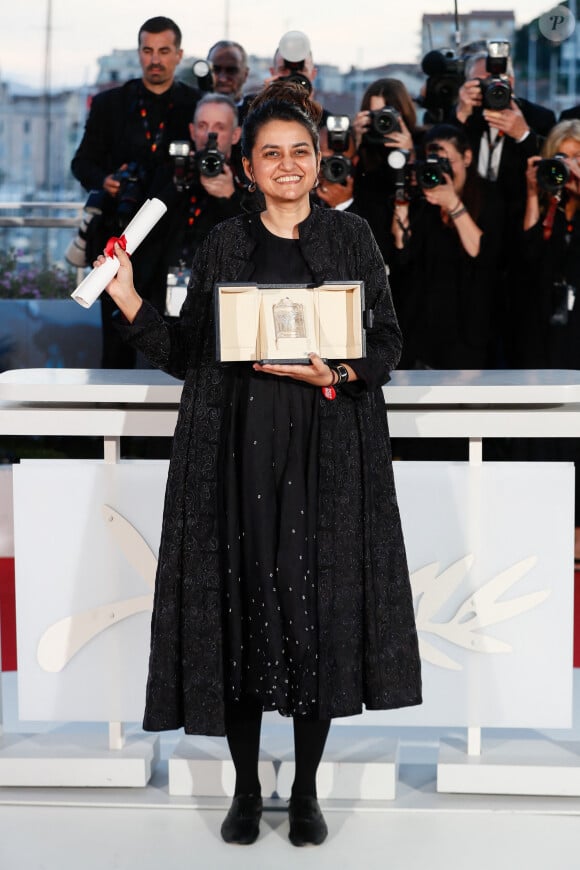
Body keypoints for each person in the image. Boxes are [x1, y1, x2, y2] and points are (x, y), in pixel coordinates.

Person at [97, 81, 422, 847]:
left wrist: (336, 374)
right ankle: (247, 791)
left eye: (299, 153)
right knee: (240, 617)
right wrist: (132, 298)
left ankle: (304, 792)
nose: (287, 165)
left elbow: (388, 344)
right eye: (270, 153)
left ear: (318, 161)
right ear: (247, 165)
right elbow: (187, 354)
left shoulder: (352, 239)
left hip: (327, 448)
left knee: (316, 620)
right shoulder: (223, 245)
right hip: (233, 452)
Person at [71, 16, 199, 367]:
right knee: (116, 342)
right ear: (139, 53)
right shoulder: (110, 104)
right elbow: (81, 163)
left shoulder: (196, 105)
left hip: (175, 239)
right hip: (117, 238)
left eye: (164, 51)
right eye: (147, 50)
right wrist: (106, 181)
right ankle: (113, 417)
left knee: (176, 337)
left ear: (179, 55)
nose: (155, 59)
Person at [514, 120, 580, 557]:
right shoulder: (547, 209)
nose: (569, 167)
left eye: (577, 157)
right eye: (563, 157)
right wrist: (536, 195)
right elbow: (523, 270)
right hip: (541, 350)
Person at [389, 123, 503, 369]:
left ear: (467, 157)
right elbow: (401, 248)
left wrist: (453, 204)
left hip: (469, 333)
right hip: (421, 331)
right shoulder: (423, 200)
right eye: (433, 162)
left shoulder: (489, 198)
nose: (440, 171)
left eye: (446, 161)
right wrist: (403, 197)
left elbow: (481, 254)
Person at [155, 93, 247, 314]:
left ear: (235, 135)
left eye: (219, 127)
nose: (210, 135)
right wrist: (179, 181)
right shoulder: (169, 175)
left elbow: (255, 243)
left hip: (225, 302)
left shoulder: (249, 182)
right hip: (167, 298)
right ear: (192, 131)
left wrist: (230, 197)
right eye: (203, 126)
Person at [352, 78, 423, 260]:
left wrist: (410, 154)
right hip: (372, 243)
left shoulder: (422, 141)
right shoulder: (364, 149)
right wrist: (355, 143)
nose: (382, 122)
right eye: (374, 115)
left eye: (387, 114)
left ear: (402, 112)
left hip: (412, 246)